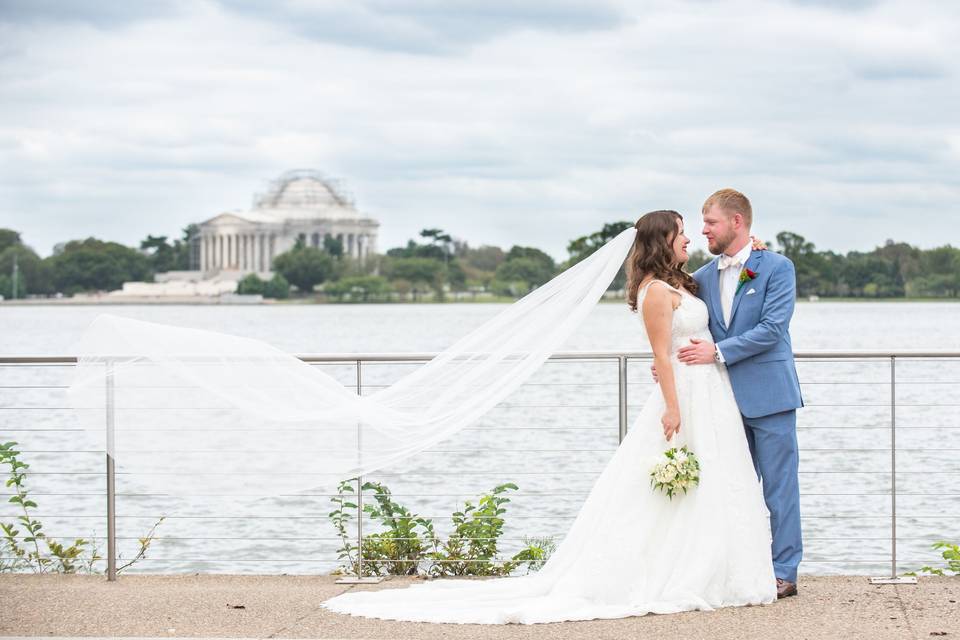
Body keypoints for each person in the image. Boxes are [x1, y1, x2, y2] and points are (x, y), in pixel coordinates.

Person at [319, 209, 777, 624]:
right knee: (671, 485)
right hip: (684, 395)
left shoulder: (682, 282)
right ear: (663, 241)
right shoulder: (657, 292)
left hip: (710, 395)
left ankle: (717, 565)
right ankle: (665, 570)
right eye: (681, 233)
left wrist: (750, 247)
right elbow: (661, 354)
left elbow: (721, 275)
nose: (690, 239)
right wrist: (673, 407)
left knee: (717, 481)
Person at [670, 188, 804, 598]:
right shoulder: (703, 278)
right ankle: (737, 569)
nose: (703, 230)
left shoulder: (778, 268)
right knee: (730, 488)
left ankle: (784, 571)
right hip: (720, 401)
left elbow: (772, 329)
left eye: (710, 222)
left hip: (770, 396)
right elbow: (680, 320)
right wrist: (666, 362)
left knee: (780, 490)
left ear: (737, 222)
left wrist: (719, 352)